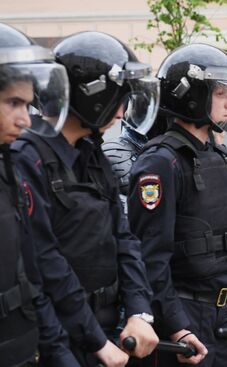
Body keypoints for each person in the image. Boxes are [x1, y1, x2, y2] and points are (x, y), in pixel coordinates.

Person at [12, 31, 160, 367]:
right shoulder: (27, 157)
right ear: (93, 94)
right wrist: (93, 339)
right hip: (62, 337)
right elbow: (45, 260)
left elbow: (124, 238)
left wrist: (140, 311)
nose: (122, 113)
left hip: (111, 330)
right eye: (118, 98)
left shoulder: (92, 154)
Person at [127, 44, 227, 366]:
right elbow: (151, 257)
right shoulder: (161, 163)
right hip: (184, 316)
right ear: (191, 95)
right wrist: (176, 326)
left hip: (221, 316)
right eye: (221, 92)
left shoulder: (216, 158)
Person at [0, 22, 81, 367]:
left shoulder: (9, 169)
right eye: (13, 103)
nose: (26, 120)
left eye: (28, 104)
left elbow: (30, 277)